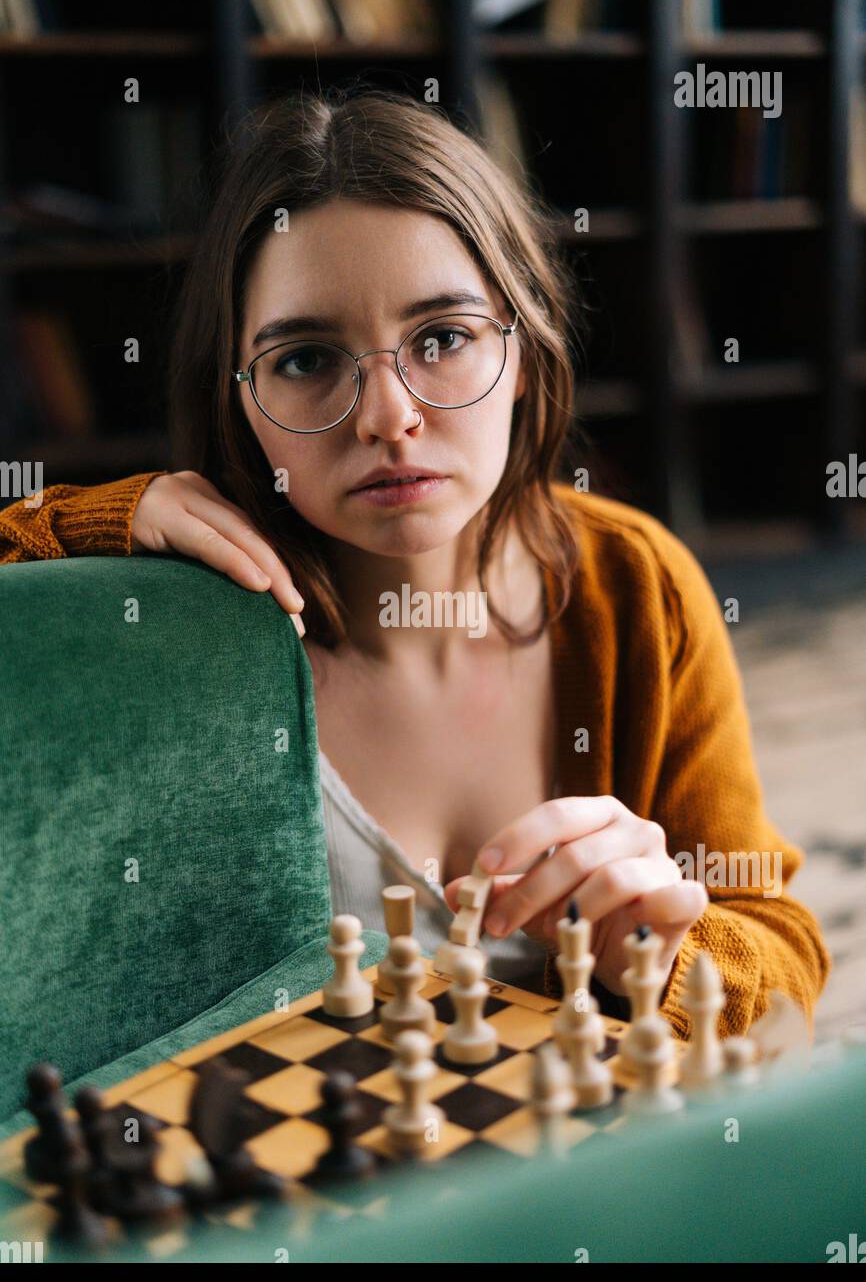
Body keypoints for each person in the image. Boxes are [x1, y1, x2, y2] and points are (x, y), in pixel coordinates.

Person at [0, 88, 830, 1034]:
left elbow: (789, 961)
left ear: (522, 352)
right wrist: (88, 522)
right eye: (308, 359)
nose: (388, 417)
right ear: (236, 396)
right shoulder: (182, 614)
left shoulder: (639, 588)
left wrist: (668, 951)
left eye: (442, 339)